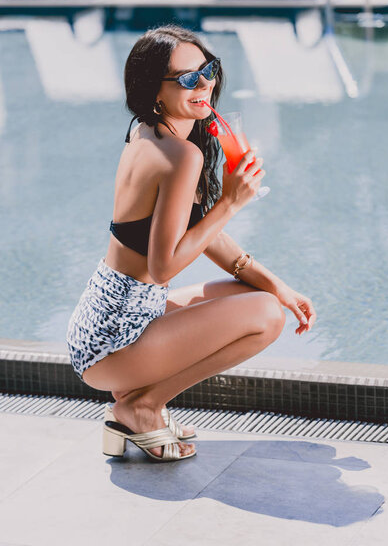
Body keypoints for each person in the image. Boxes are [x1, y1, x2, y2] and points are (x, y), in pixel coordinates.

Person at [66, 24, 316, 463]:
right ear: (154, 91)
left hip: (104, 317)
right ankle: (140, 407)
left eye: (208, 70)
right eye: (187, 79)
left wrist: (280, 284)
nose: (205, 84)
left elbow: (201, 235)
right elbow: (163, 268)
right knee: (265, 316)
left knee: (261, 296)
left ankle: (139, 399)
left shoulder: (149, 133)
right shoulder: (182, 156)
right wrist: (230, 203)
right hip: (114, 339)